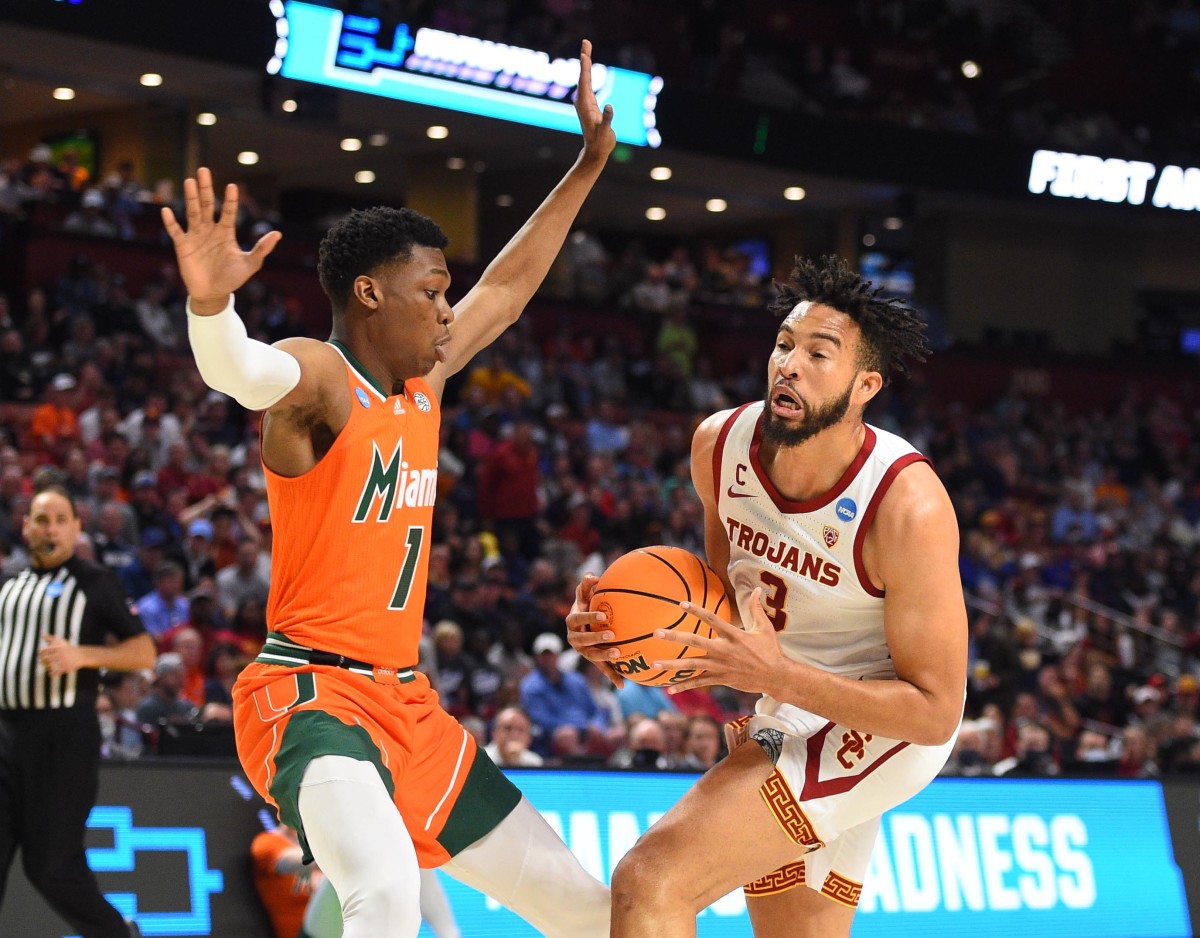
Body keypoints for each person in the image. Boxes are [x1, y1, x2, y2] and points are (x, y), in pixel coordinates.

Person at [162, 40, 614, 938]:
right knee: (383, 892)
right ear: (369, 294)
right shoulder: (321, 378)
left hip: (409, 705)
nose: (450, 309)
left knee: (593, 913)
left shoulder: (428, 380)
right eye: (431, 291)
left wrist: (589, 164)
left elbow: (513, 287)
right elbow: (240, 374)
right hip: (311, 701)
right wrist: (209, 309)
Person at [567, 255, 967, 937]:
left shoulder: (907, 504)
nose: (789, 364)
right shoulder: (719, 446)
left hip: (885, 725)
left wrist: (777, 675)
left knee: (651, 879)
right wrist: (626, 641)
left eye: (819, 353)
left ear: (865, 384)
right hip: (788, 699)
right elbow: (723, 606)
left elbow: (935, 713)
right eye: (784, 344)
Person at [0, 485, 155, 937]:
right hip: (6, 733)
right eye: (41, 519)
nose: (50, 529)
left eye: (60, 520)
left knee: (51, 868)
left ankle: (117, 932)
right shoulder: (9, 583)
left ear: (76, 527)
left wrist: (84, 656)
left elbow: (144, 651)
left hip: (64, 735)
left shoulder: (94, 581)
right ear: (25, 525)